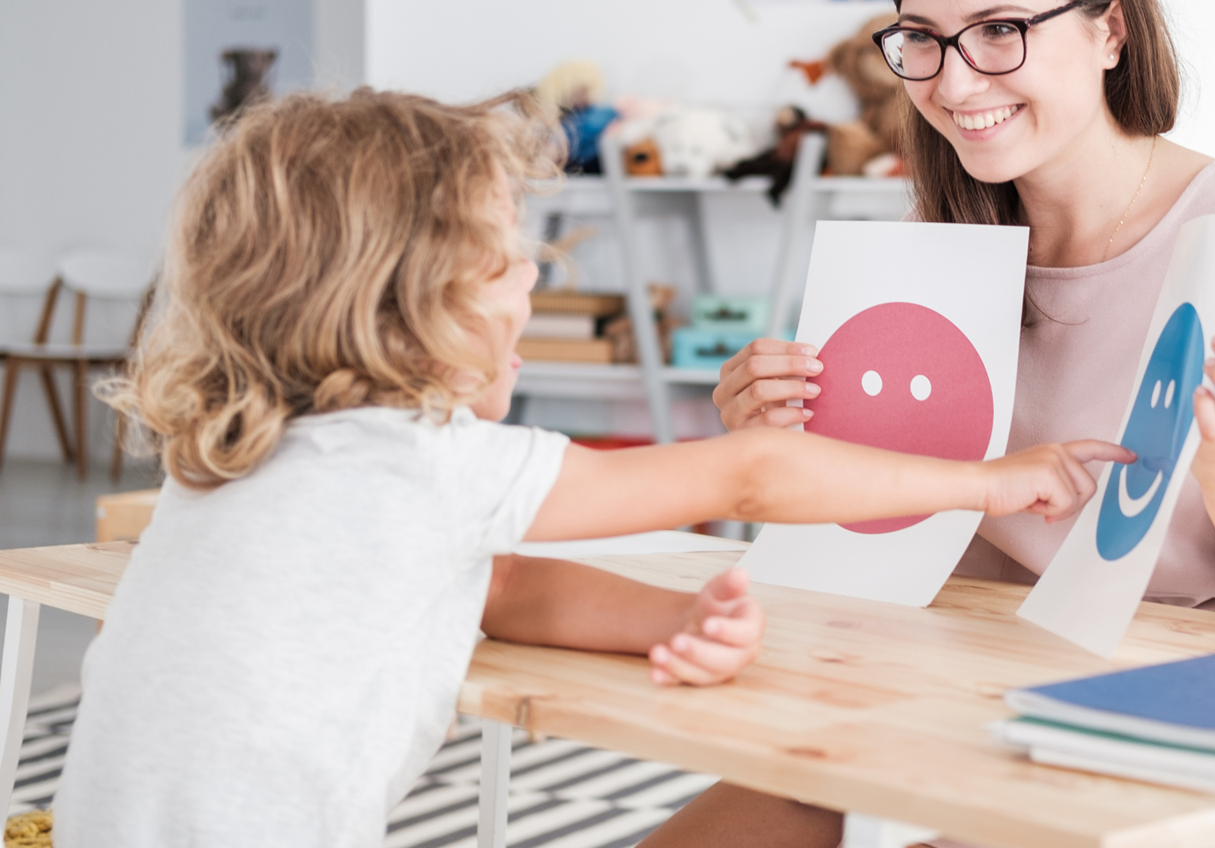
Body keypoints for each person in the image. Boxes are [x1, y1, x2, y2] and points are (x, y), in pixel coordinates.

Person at [50, 88, 1126, 847]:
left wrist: (658, 621)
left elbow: (497, 585)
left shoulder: (242, 461)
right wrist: (988, 481)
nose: (531, 279)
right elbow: (751, 475)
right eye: (503, 258)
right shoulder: (414, 465)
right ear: (407, 303)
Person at [646, 0, 1215, 845]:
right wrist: (776, 438)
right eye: (923, 37)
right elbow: (866, 531)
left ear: (1110, 28)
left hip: (1177, 735)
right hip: (946, 698)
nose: (955, 82)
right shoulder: (933, 244)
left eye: (1000, 31)